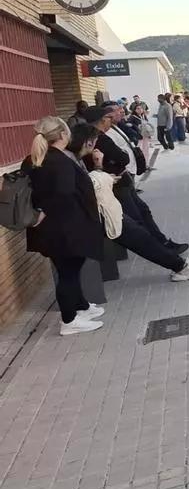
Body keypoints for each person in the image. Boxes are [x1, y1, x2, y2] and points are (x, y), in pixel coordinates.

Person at [67, 124, 189, 282]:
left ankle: (180, 265)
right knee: (141, 239)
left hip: (101, 213)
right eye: (95, 141)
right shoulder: (67, 161)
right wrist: (100, 167)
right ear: (88, 142)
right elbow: (86, 188)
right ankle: (181, 267)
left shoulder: (71, 158)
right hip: (97, 216)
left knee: (141, 236)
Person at [21, 117, 106, 336]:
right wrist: (44, 212)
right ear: (61, 135)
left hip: (53, 229)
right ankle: (69, 320)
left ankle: (81, 307)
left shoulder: (34, 159)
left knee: (68, 269)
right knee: (68, 272)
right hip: (65, 227)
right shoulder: (58, 161)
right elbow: (63, 193)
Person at [84, 106, 187, 255]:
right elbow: (122, 157)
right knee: (137, 219)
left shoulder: (106, 134)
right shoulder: (100, 138)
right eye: (109, 118)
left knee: (143, 211)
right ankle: (160, 251)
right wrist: (121, 156)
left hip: (122, 180)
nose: (111, 121)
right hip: (116, 184)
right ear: (101, 120)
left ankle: (162, 242)